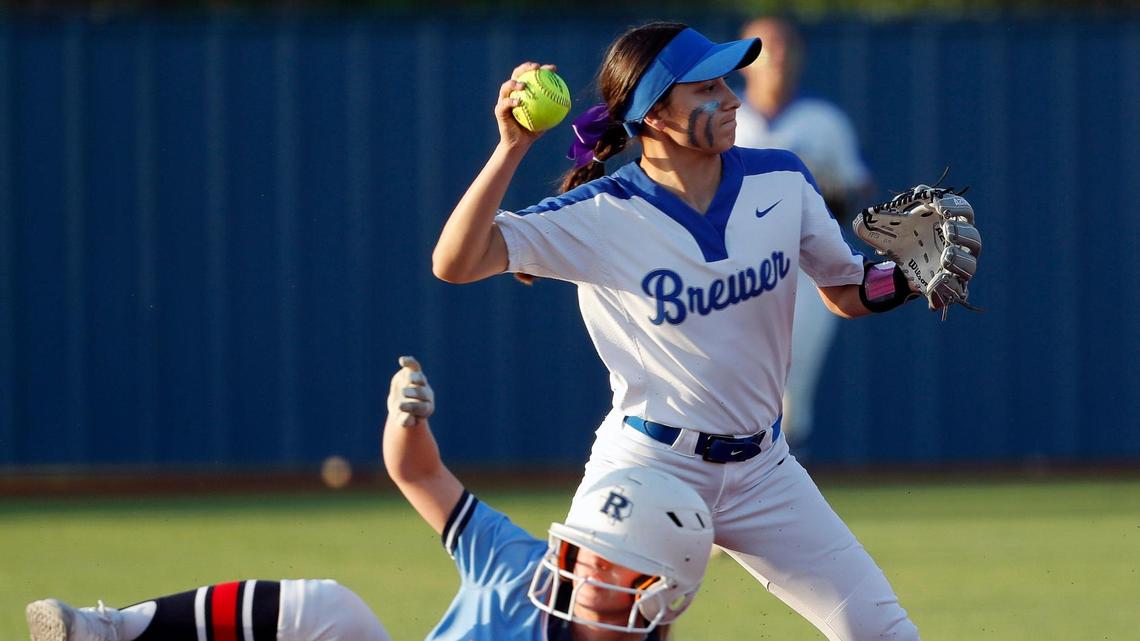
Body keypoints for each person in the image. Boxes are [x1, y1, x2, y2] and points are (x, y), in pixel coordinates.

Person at [432, 21, 922, 641]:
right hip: (648, 468)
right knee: (587, 634)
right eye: (708, 89)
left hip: (764, 470)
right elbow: (455, 263)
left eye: (726, 84)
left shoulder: (780, 179)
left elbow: (847, 290)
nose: (733, 99)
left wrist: (907, 278)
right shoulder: (603, 213)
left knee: (884, 633)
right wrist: (513, 147)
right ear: (655, 115)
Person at [25, 357, 714, 641]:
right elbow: (418, 474)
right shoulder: (519, 569)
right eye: (587, 548)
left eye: (610, 560)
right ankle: (115, 631)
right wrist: (404, 422)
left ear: (660, 590)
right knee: (332, 607)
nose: (586, 567)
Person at [734, 16, 876, 446]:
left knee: (791, 392)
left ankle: (780, 492)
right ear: (744, 62)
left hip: (804, 264)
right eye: (764, 46)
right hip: (732, 264)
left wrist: (830, 187)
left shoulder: (823, 122)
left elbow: (855, 190)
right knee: (736, 383)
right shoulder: (727, 115)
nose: (776, 54)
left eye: (784, 45)